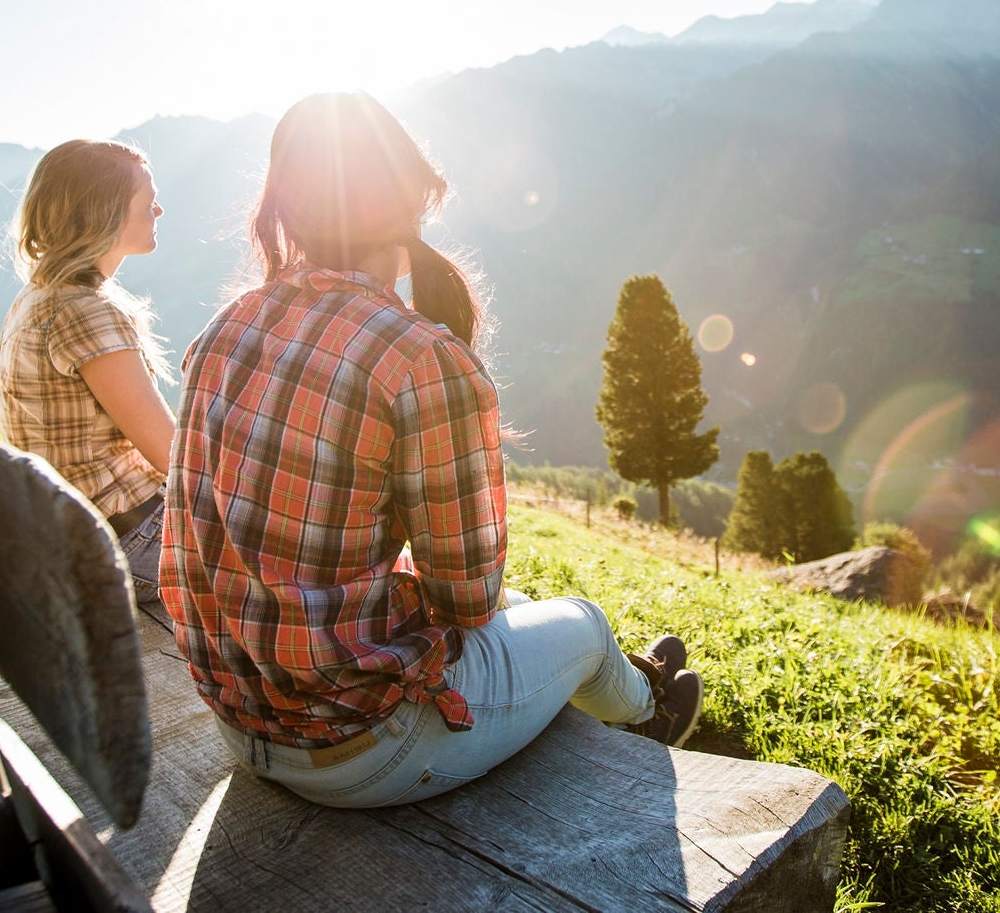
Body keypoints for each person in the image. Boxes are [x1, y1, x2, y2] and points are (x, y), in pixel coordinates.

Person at [163, 92, 701, 809]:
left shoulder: (223, 329)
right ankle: (651, 712)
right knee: (586, 625)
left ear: (285, 207)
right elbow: (469, 598)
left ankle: (618, 683)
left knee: (528, 617)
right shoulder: (418, 357)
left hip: (243, 724)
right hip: (366, 749)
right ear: (410, 199)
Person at [0, 139, 176, 626]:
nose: (159, 208)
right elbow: (174, 457)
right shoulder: (86, 312)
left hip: (78, 535)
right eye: (146, 202)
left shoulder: (40, 297)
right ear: (106, 213)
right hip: (129, 545)